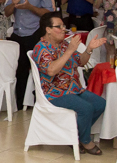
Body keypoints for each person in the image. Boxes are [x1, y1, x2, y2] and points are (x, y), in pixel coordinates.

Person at [32, 12, 108, 154]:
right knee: (86, 108)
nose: (63, 29)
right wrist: (70, 50)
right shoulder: (41, 48)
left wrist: (89, 49)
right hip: (54, 92)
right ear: (48, 30)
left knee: (100, 104)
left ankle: (74, 136)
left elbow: (81, 61)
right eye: (59, 26)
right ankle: (85, 141)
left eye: (63, 26)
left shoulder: (63, 45)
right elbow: (51, 71)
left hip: (73, 89)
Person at [4, 0, 54, 106]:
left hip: (35, 34)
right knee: (18, 69)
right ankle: (19, 103)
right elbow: (6, 12)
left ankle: (39, 101)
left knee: (37, 70)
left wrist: (30, 7)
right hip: (17, 34)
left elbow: (48, 13)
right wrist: (13, 4)